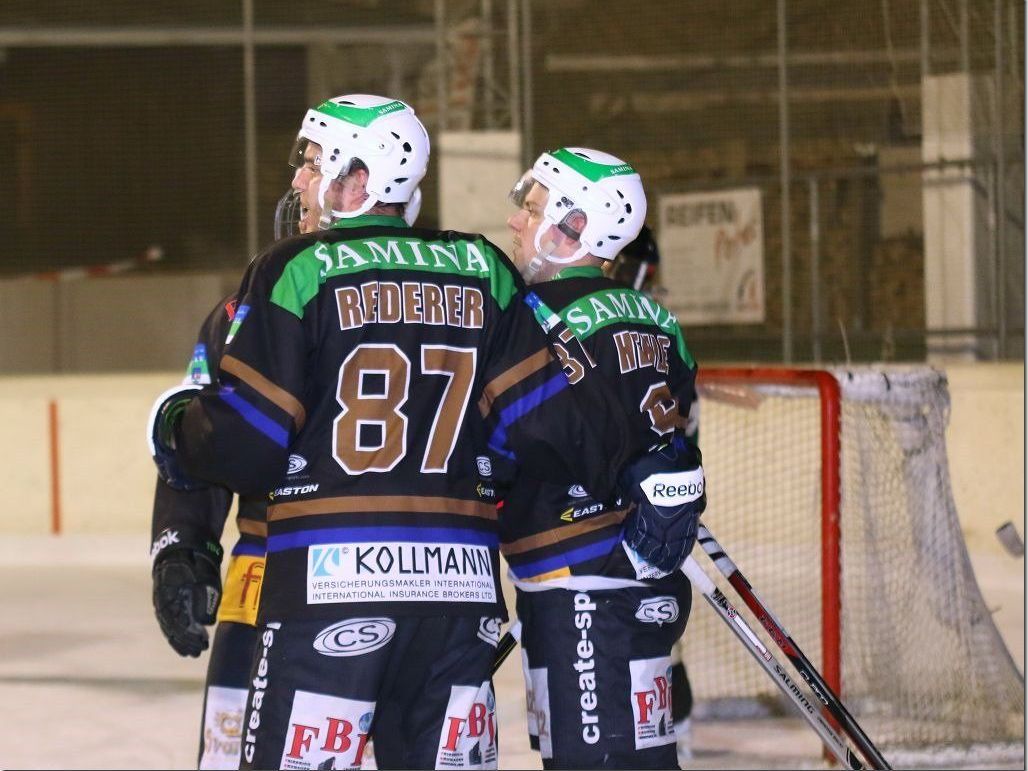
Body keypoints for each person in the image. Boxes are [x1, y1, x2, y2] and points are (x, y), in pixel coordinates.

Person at [147, 94, 654, 769]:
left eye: (312, 161)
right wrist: (655, 460)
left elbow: (241, 441)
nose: (298, 178)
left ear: (359, 176)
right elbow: (554, 431)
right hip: (458, 593)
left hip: (317, 583)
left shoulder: (290, 273)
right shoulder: (484, 269)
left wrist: (173, 440)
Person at [148, 185, 425, 770]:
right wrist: (183, 544)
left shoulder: (425, 302)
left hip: (377, 575)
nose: (303, 193)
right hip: (272, 567)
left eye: (316, 173)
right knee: (231, 756)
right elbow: (209, 433)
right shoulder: (238, 315)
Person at [495, 147, 704, 769]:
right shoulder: (660, 320)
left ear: (575, 225)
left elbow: (506, 443)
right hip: (644, 570)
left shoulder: (532, 320)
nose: (515, 221)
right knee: (641, 755)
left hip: (579, 583)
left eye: (533, 209)